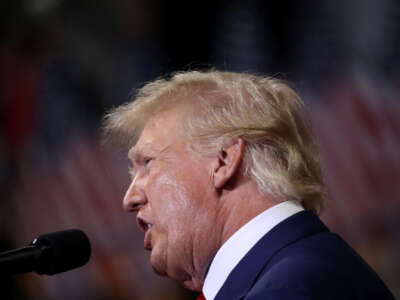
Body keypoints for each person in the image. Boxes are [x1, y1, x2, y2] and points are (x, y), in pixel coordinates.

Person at [103, 70, 395, 300]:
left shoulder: (288, 289)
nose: (129, 198)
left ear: (223, 161)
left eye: (148, 164)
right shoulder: (300, 271)